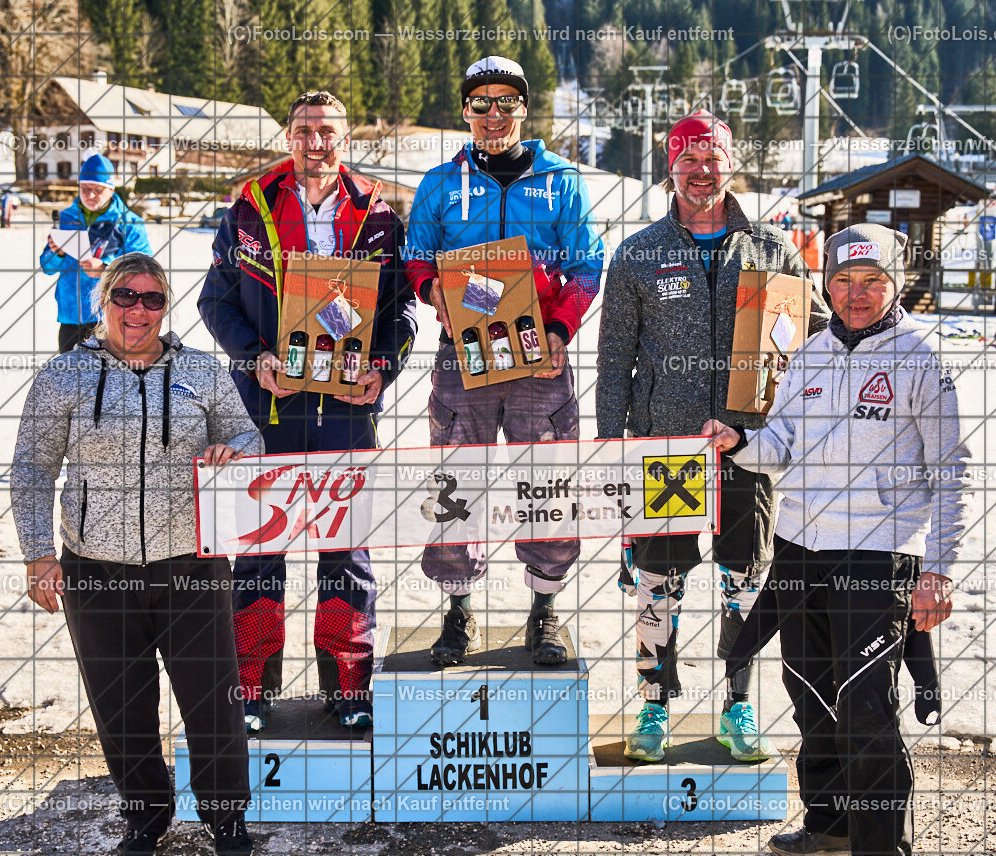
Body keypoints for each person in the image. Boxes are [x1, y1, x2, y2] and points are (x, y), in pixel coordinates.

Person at [703, 223, 974, 856]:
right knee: (809, 692)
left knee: (866, 710)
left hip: (879, 554)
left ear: (895, 283)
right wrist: (741, 443)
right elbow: (784, 445)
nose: (856, 294)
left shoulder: (921, 356)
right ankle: (829, 824)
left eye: (872, 281)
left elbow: (953, 473)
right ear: (827, 285)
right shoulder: (811, 351)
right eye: (844, 281)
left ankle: (881, 844)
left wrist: (938, 570)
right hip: (798, 548)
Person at [596, 109, 829, 763]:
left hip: (745, 449)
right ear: (670, 168)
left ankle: (738, 704)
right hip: (665, 452)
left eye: (713, 160)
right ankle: (653, 705)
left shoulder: (772, 250)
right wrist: (613, 453)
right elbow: (614, 362)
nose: (702, 173)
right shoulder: (638, 253)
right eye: (688, 161)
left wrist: (779, 432)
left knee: (745, 581)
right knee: (656, 583)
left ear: (732, 164)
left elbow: (805, 356)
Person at [10, 254, 262, 856]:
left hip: (192, 566)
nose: (138, 311)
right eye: (125, 296)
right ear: (103, 302)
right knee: (122, 706)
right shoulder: (63, 375)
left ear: (165, 307)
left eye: (152, 299)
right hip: (96, 569)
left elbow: (248, 431)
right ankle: (146, 817)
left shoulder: (200, 370)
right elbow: (31, 468)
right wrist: (40, 555)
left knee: (213, 703)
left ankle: (226, 820)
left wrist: (235, 450)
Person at [199, 89, 417, 732]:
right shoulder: (250, 207)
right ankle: (251, 688)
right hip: (266, 409)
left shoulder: (377, 214)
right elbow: (216, 302)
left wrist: (382, 370)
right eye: (303, 130)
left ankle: (348, 689)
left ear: (344, 141)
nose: (315, 142)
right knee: (260, 551)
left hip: (347, 412)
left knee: (345, 552)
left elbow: (401, 313)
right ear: (288, 137)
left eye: (327, 132)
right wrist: (254, 357)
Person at [404, 56, 604, 667]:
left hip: (538, 356)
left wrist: (561, 329)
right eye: (481, 103)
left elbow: (587, 265)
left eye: (506, 102)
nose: (494, 115)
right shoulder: (439, 183)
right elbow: (415, 258)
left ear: (524, 107)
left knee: (546, 480)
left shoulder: (562, 179)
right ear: (465, 110)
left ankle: (544, 608)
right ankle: (458, 608)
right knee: (455, 478)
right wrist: (430, 289)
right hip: (461, 357)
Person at [39, 154, 152, 353]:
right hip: (70, 317)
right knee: (69, 380)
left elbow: (144, 271)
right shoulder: (66, 217)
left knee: (108, 381)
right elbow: (47, 267)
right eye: (85, 189)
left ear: (111, 189)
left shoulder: (129, 224)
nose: (90, 195)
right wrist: (56, 253)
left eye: (97, 190)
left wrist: (106, 269)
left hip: (109, 319)